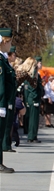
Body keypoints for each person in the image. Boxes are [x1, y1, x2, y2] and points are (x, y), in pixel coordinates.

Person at [0, 28, 17, 173]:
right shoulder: (0, 61)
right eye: (9, 41)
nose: (10, 45)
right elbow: (1, 84)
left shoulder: (2, 59)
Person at [23, 56, 44, 142]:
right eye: (39, 63)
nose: (40, 64)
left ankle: (33, 136)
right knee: (33, 119)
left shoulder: (36, 74)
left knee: (34, 119)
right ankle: (31, 136)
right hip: (33, 99)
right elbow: (32, 89)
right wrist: (34, 99)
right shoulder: (33, 74)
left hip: (34, 99)